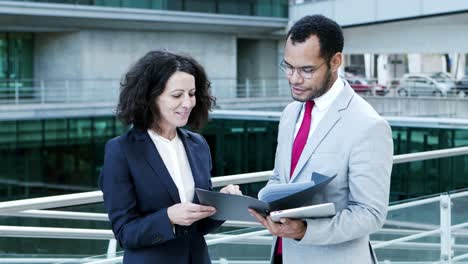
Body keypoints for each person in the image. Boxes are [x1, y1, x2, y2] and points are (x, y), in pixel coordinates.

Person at [249, 15, 393, 264]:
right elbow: (280, 178)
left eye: (307, 70)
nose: (294, 79)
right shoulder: (290, 113)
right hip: (283, 256)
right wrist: (260, 202)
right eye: (288, 67)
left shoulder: (368, 125)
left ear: (335, 61)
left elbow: (370, 213)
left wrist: (305, 230)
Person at [100, 50, 242, 264]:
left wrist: (223, 204)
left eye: (192, 94)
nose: (188, 103)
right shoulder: (121, 151)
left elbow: (199, 227)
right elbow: (125, 233)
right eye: (177, 95)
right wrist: (168, 218)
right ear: (151, 96)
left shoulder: (198, 145)